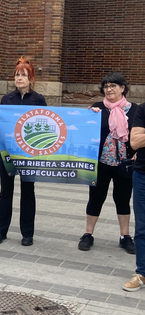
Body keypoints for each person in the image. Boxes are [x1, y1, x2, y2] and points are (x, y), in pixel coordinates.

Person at [0, 57, 46, 246]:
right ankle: (0, 231)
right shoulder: (6, 99)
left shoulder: (38, 99)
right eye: (17, 75)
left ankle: (27, 234)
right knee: (6, 191)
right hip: (8, 152)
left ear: (31, 79)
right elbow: (1, 123)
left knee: (28, 192)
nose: (19, 78)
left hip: (29, 153)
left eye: (23, 75)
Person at [78, 72, 137, 254]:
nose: (109, 89)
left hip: (124, 164)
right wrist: (89, 116)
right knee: (96, 198)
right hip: (101, 163)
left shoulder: (135, 109)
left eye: (113, 86)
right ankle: (88, 234)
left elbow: (139, 133)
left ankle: (125, 236)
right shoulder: (97, 108)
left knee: (123, 199)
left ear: (122, 88)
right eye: (106, 86)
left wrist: (137, 153)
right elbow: (83, 130)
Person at [123, 102, 145, 291]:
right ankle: (142, 273)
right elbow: (135, 142)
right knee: (142, 227)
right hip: (142, 176)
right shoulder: (143, 109)